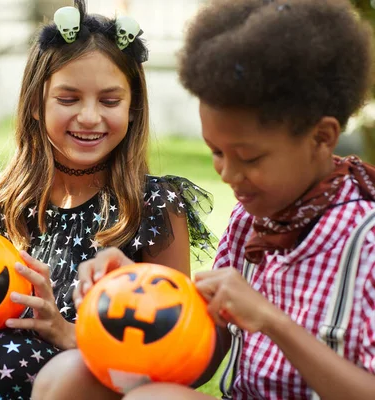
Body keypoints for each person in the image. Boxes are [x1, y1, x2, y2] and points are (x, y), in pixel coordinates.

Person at [31, 0, 375, 399]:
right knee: (68, 376)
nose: (227, 175)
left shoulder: (364, 240)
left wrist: (271, 322)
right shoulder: (251, 222)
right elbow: (191, 363)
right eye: (216, 152)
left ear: (322, 137)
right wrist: (138, 289)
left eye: (249, 158)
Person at [0, 1, 216, 399]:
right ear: (35, 103)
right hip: (6, 368)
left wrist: (65, 334)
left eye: (110, 101)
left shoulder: (152, 206)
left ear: (133, 110)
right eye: (69, 99)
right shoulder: (7, 200)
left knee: (16, 365)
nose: (89, 117)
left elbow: (176, 350)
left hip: (87, 382)